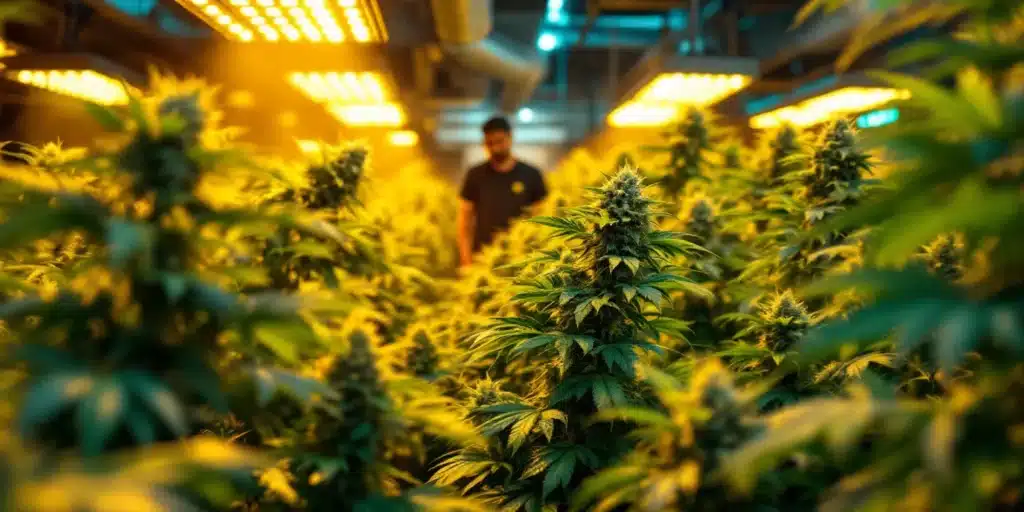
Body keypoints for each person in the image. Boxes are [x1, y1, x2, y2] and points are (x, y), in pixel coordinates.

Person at [457, 116, 548, 269]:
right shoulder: (475, 175)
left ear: (510, 137)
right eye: (489, 143)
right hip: (483, 259)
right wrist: (466, 261)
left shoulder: (531, 174)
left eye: (499, 141)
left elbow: (543, 219)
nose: (495, 148)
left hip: (522, 259)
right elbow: (465, 221)